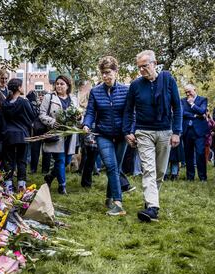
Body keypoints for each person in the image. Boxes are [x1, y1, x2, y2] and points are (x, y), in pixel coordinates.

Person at [123, 50, 182, 222]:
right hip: (144, 132)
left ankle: (149, 201)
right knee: (148, 169)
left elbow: (177, 108)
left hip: (165, 131)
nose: (142, 70)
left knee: (160, 172)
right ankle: (153, 208)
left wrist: (177, 132)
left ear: (154, 63)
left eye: (145, 66)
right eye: (139, 67)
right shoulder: (135, 85)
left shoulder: (168, 80)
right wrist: (128, 131)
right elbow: (128, 110)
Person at [83, 56, 130, 216]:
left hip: (122, 135)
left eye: (108, 72)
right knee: (110, 166)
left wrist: (129, 131)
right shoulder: (95, 92)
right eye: (103, 73)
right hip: (103, 134)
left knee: (116, 168)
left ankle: (110, 197)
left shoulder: (126, 90)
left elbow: (130, 113)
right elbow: (90, 112)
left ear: (116, 72)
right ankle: (118, 203)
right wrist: (87, 124)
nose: (105, 76)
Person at [39, 75, 79, 194]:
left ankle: (50, 176)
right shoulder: (49, 97)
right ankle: (62, 186)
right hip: (57, 133)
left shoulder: (73, 99)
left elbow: (78, 115)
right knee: (60, 159)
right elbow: (41, 114)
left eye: (62, 84)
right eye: (57, 84)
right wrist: (52, 122)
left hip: (70, 133)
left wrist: (79, 118)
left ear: (68, 86)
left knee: (67, 160)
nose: (59, 86)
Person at [0, 78, 35, 191]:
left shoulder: (4, 104)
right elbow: (32, 117)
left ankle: (8, 185)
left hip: (8, 136)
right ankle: (21, 185)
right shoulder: (24, 102)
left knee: (8, 161)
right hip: (22, 135)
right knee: (21, 160)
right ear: (18, 88)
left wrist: (4, 132)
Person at [181, 84, 209, 181]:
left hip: (199, 131)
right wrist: (196, 116)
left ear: (194, 89)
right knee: (188, 155)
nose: (188, 94)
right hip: (187, 131)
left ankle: (202, 177)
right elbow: (182, 112)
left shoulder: (202, 100)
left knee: (200, 154)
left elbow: (202, 111)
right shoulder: (182, 101)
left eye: (189, 91)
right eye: (186, 92)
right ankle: (190, 177)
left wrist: (192, 104)